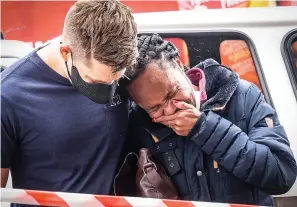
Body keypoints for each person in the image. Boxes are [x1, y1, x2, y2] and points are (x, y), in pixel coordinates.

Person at [123, 34, 297, 205]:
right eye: (154, 108)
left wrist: (204, 129)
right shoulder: (140, 124)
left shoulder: (242, 96)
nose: (169, 110)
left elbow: (281, 176)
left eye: (172, 93)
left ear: (178, 64)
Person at [1, 0, 138, 200]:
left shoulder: (127, 67)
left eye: (116, 80)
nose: (109, 90)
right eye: (95, 81)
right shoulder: (9, 96)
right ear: (66, 53)